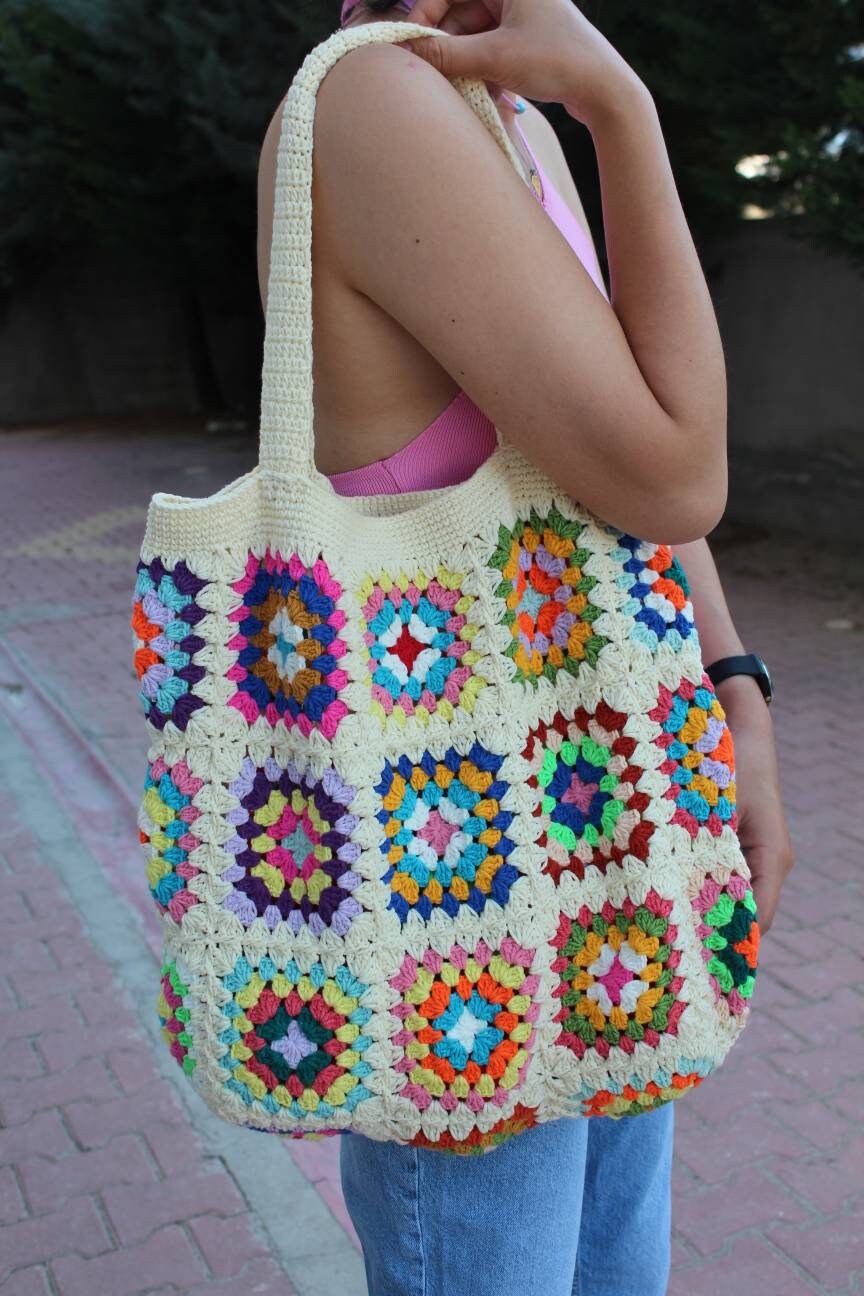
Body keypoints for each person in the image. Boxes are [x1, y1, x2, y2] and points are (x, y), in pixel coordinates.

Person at [256, 2, 795, 1293]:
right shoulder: (375, 104)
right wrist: (622, 109)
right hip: (456, 886)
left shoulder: (499, 109)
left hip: (600, 812)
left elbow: (619, 449)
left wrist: (733, 683)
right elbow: (677, 472)